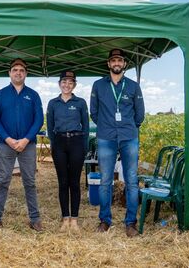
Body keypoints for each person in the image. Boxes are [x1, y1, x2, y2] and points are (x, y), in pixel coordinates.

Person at [90, 49, 145, 237]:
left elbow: (140, 114)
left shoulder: (133, 86)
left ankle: (130, 223)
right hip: (106, 137)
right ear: (108, 64)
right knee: (105, 181)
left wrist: (128, 126)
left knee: (131, 180)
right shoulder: (98, 85)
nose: (116, 63)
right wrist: (107, 126)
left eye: (119, 60)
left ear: (124, 64)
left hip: (129, 136)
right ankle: (105, 220)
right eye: (113, 60)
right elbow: (94, 113)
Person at [0, 58, 44, 231]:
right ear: (9, 73)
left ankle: (35, 219)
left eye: (21, 70)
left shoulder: (33, 95)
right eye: (15, 70)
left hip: (28, 145)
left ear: (26, 74)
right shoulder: (0, 95)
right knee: (3, 181)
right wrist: (8, 139)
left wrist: (26, 139)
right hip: (6, 145)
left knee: (30, 182)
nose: (18, 72)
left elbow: (39, 120)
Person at [46, 70, 89, 232]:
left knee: (75, 182)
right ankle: (65, 219)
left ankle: (75, 220)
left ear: (74, 85)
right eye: (64, 82)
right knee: (63, 182)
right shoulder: (53, 103)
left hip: (77, 142)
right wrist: (54, 143)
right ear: (59, 84)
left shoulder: (80, 102)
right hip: (59, 143)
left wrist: (84, 147)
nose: (67, 85)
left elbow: (85, 126)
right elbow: (50, 127)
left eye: (70, 82)